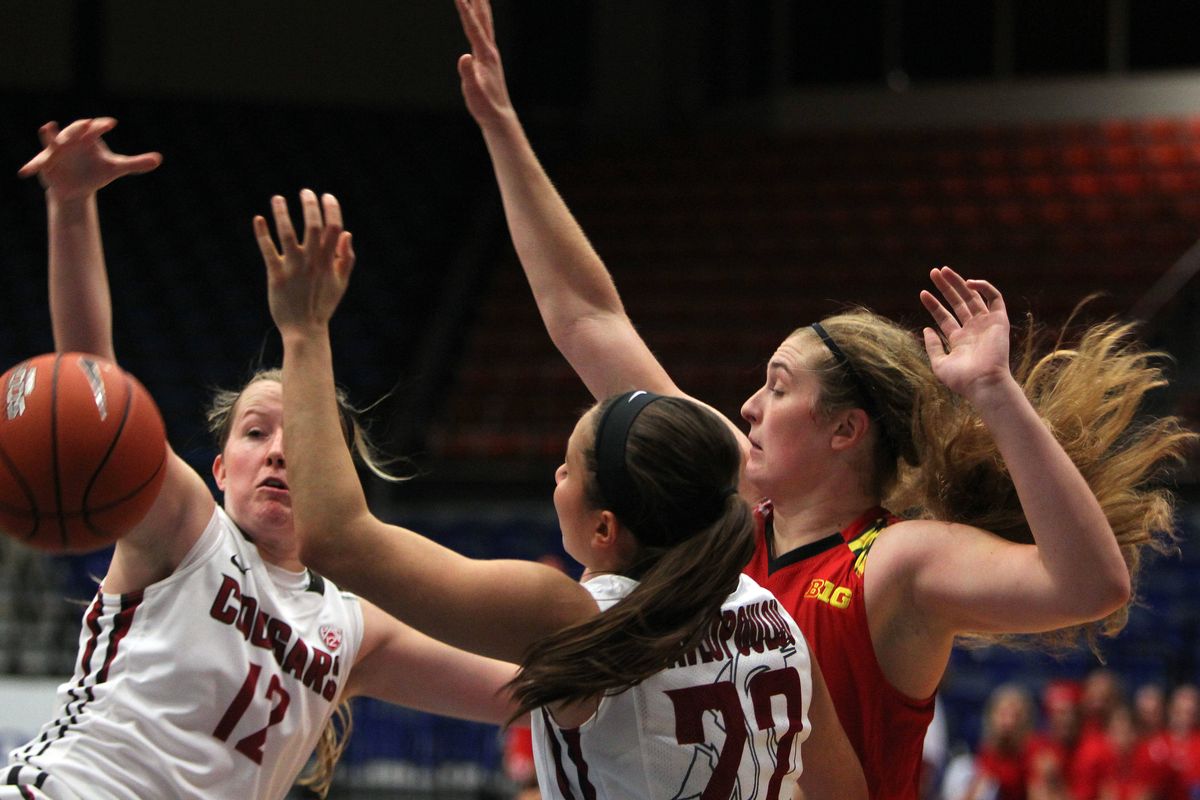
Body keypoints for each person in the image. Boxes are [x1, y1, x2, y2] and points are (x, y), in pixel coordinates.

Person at [449, 0, 1196, 797]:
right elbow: (588, 320)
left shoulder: (895, 560)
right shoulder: (723, 511)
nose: (747, 408)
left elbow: (1092, 586)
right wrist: (502, 128)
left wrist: (994, 393)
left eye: (777, 387)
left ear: (846, 428)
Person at [257, 188, 868, 799]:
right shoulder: (778, 622)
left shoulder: (578, 619)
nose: (555, 478)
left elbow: (338, 540)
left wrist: (305, 331)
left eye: (567, 469)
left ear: (605, 529)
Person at [2, 119, 519, 800]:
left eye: (300, 438)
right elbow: (91, 386)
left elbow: (531, 693)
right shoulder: (186, 530)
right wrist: (71, 208)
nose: (279, 452)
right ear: (220, 472)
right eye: (254, 433)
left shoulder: (352, 631)